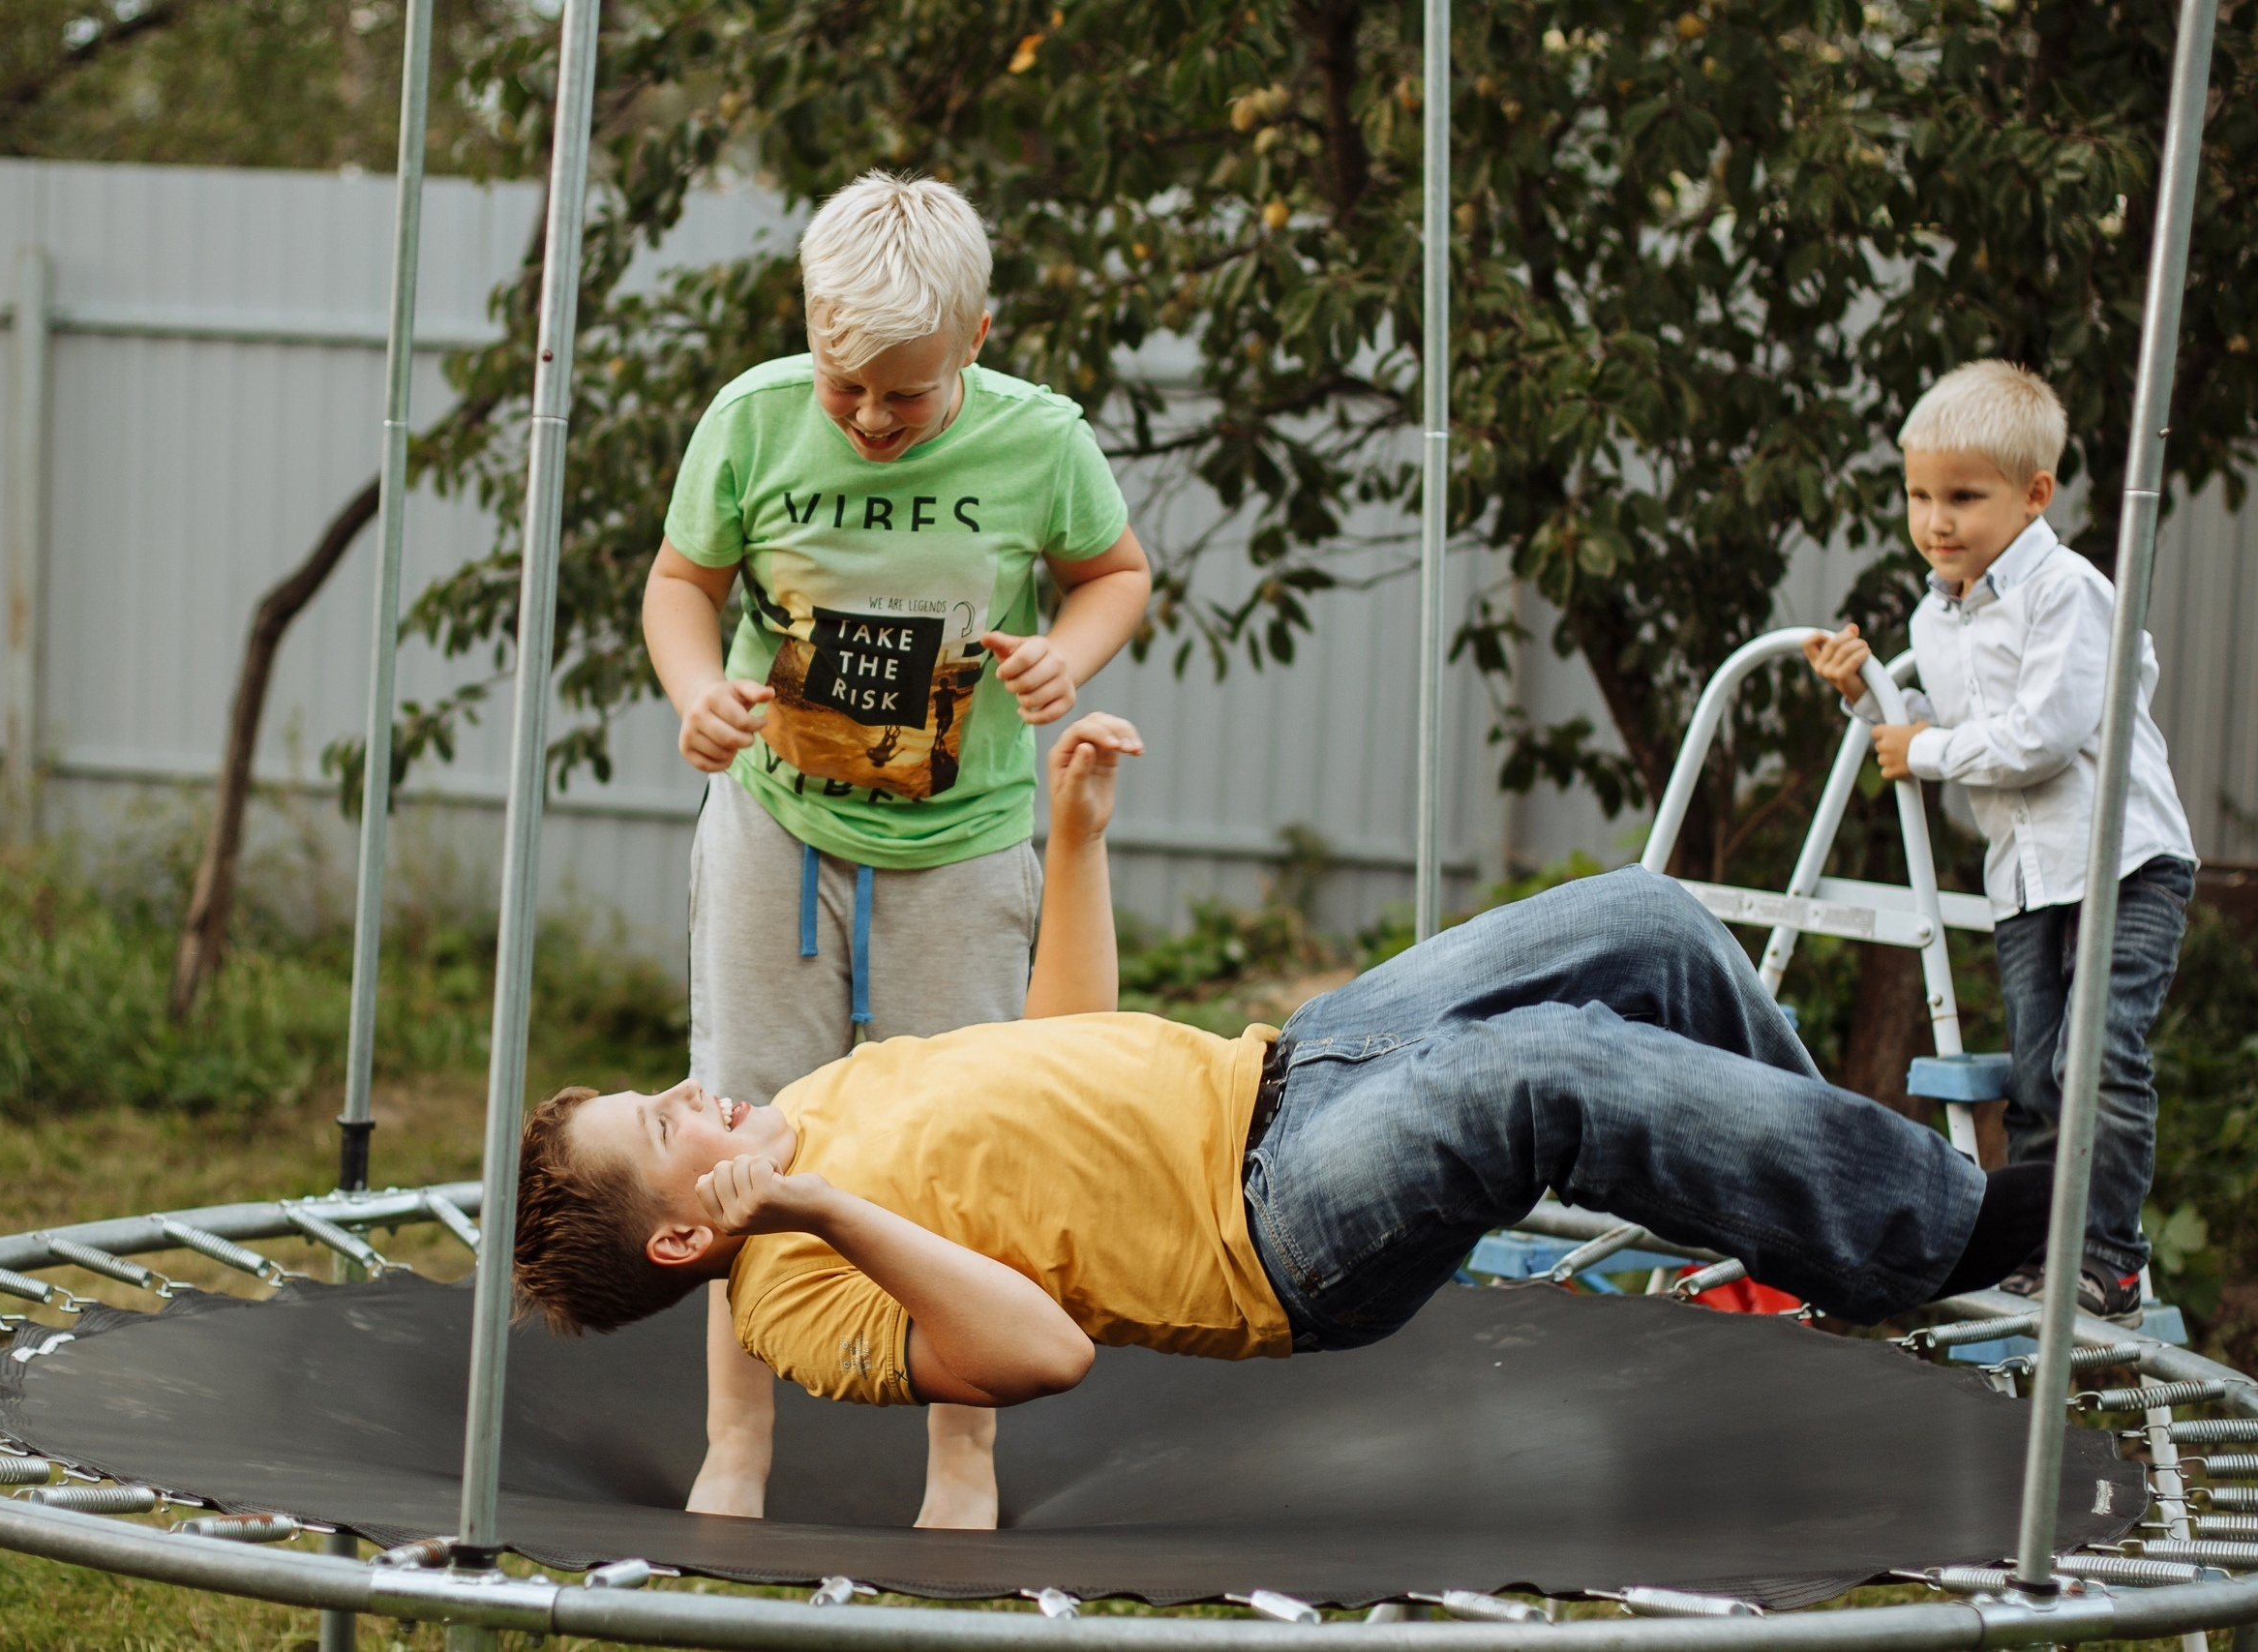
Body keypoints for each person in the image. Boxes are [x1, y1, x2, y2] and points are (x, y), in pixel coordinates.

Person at [514, 715, 2056, 1419]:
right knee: (1547, 1074)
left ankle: (1844, 1236)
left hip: (1294, 1066)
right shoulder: (798, 1304)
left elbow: (1062, 1048)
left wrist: (1072, 846)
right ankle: (1928, 1227)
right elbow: (1039, 1355)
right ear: (684, 1228)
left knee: (1645, 919)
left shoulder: (827, 1096)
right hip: (1280, 1230)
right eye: (667, 1119)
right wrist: (813, 1210)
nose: (696, 1090)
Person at [641, 173, 1151, 1521]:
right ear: (807, 325)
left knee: (973, 1139)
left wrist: (1065, 652)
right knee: (740, 1113)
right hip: (777, 824)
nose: (870, 416)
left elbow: (1116, 571)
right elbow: (681, 584)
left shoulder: (1042, 441)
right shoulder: (752, 419)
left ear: (974, 340)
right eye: (843, 380)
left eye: (906, 396)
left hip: (961, 836)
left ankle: (963, 1460)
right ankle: (737, 1442)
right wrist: (696, 690)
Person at [1803, 361, 2199, 1324]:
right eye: (1919, 497)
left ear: (2032, 495)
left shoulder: (2069, 593)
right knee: (2032, 1076)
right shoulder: (1934, 616)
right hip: (2023, 876)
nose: (1936, 521)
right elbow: (1939, 724)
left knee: (2095, 1059)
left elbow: (2037, 735)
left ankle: (2106, 1255)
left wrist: (1924, 744)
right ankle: (2034, 1247)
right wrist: (1870, 699)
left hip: (2122, 865)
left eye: (1963, 498)